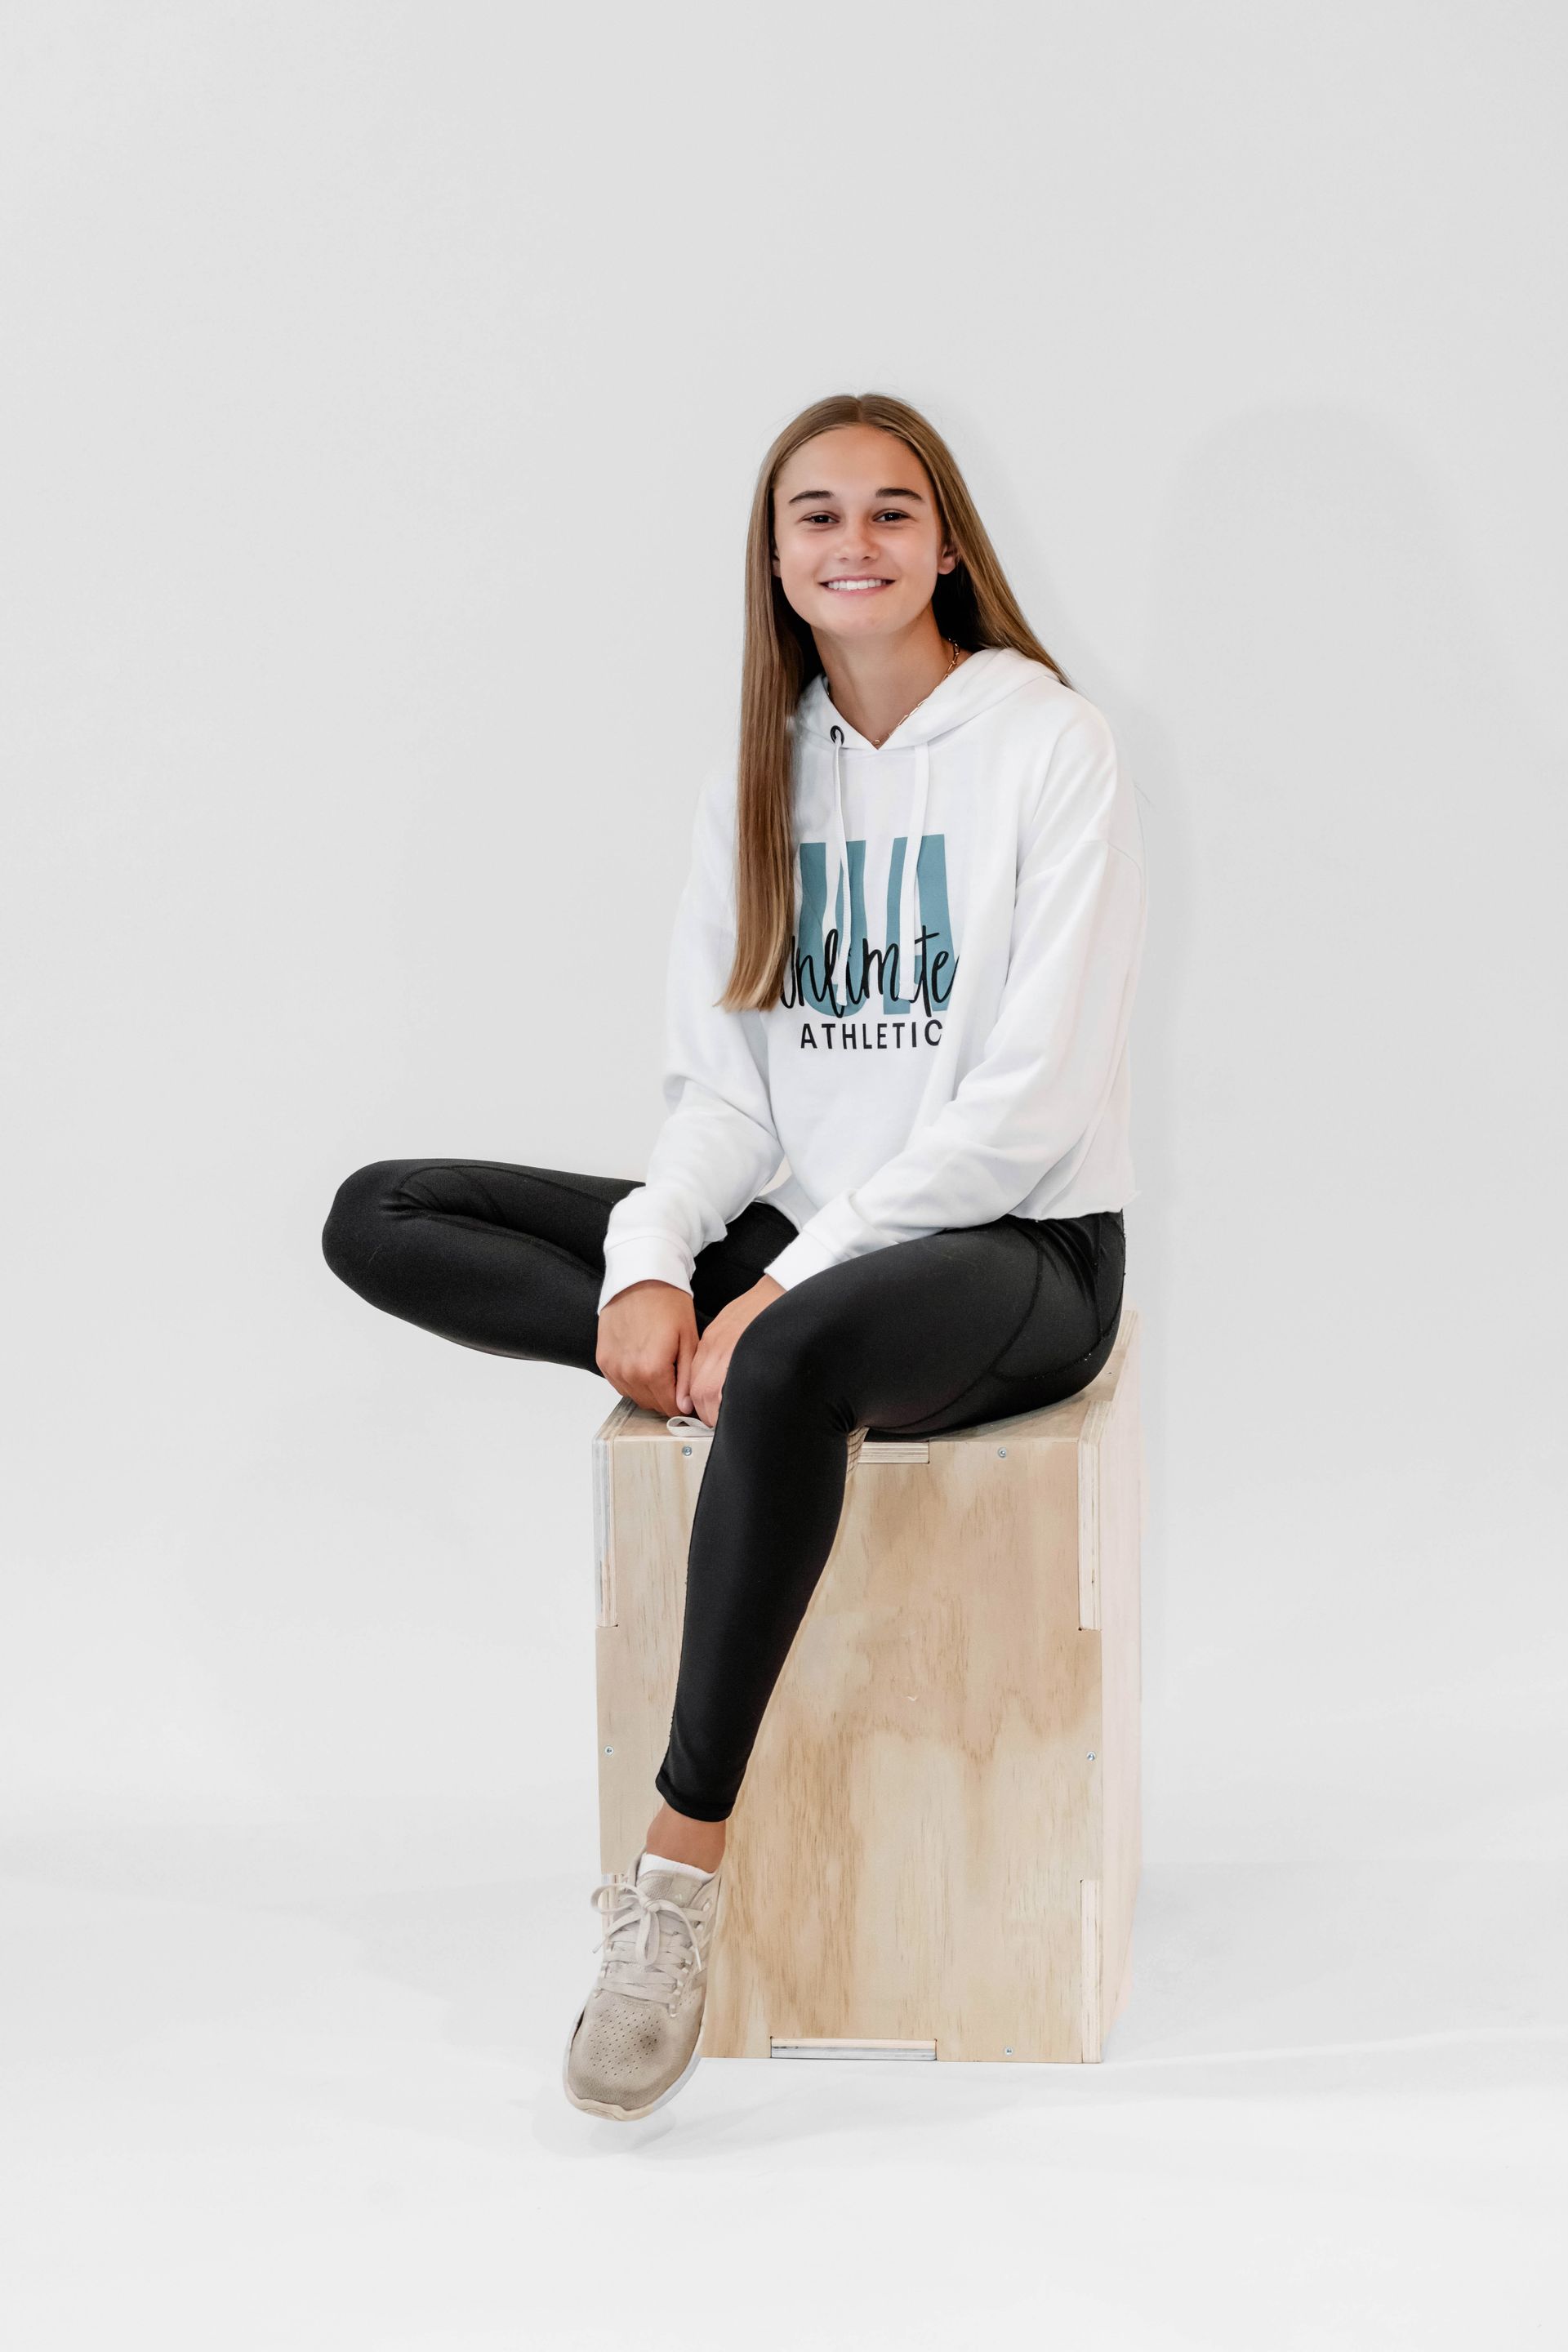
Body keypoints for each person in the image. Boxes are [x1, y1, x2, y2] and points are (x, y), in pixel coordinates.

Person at [322, 390, 1148, 2122]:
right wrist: (652, 1265)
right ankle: (713, 1364)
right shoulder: (764, 778)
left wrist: (782, 1286)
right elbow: (721, 1097)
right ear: (774, 562)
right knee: (382, 1211)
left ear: (946, 544)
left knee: (788, 1349)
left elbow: (1029, 1104)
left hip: (1020, 1249)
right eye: (815, 515)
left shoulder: (1047, 744)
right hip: (820, 1242)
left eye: (892, 510)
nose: (856, 542)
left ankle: (672, 1881)